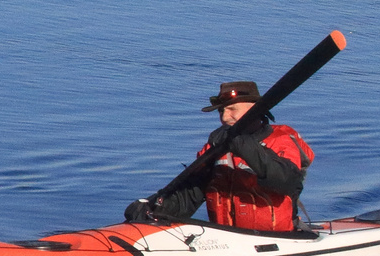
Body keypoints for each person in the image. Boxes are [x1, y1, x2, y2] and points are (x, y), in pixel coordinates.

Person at [126, 80, 314, 231]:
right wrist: (154, 208)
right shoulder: (216, 145)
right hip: (228, 239)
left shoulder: (282, 140)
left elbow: (286, 181)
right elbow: (190, 193)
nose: (224, 117)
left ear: (254, 110)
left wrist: (240, 143)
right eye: (221, 111)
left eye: (232, 109)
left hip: (279, 239)